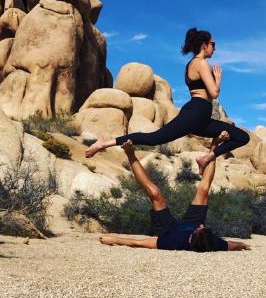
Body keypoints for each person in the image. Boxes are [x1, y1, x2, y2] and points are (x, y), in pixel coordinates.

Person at [85, 27, 250, 175]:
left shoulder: (191, 65)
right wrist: (218, 79)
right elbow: (214, 93)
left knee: (242, 137)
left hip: (201, 117)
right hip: (196, 113)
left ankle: (206, 159)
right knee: (154, 138)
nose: (215, 48)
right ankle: (103, 144)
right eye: (213, 44)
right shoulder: (201, 63)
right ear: (204, 45)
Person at [99, 138, 251, 251]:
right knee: (204, 190)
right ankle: (214, 148)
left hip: (168, 229)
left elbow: (138, 243)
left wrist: (113, 239)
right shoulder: (213, 242)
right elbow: (232, 244)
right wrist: (242, 245)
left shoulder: (172, 242)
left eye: (200, 228)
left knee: (155, 193)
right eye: (204, 227)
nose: (202, 224)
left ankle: (130, 153)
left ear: (191, 237)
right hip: (191, 222)